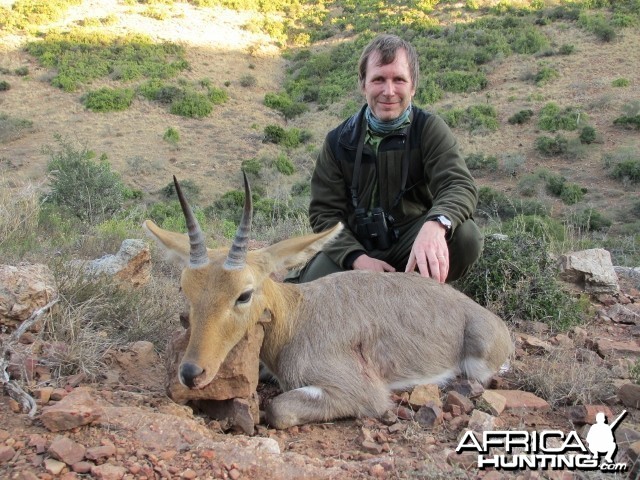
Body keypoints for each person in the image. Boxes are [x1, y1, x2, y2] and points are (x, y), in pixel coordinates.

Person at [290, 33, 483, 284]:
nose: (388, 91)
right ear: (363, 84)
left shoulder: (428, 129)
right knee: (308, 293)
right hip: (357, 244)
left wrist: (436, 224)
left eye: (399, 80)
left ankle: (418, 292)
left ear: (413, 86)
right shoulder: (339, 141)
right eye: (378, 79)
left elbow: (459, 185)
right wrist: (357, 259)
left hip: (411, 240)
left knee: (466, 237)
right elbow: (324, 214)